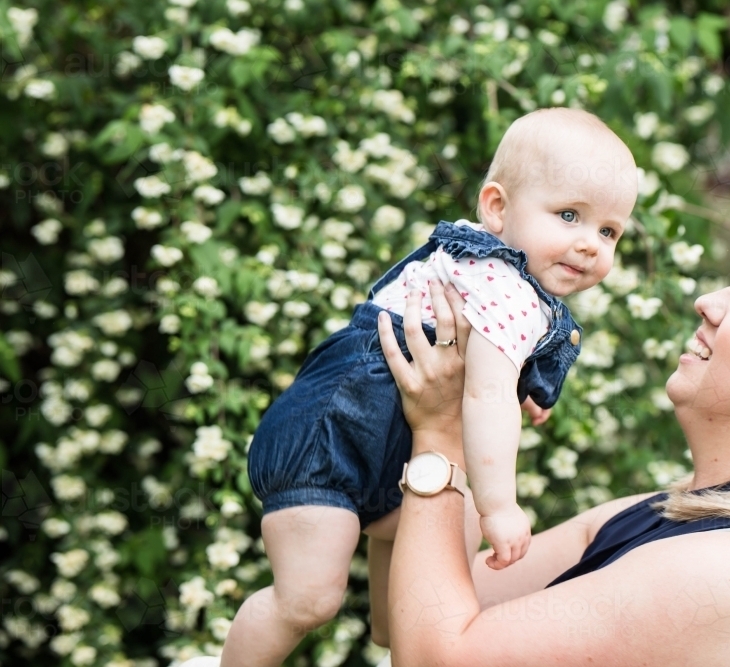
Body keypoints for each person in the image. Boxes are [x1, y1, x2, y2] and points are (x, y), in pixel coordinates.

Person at [376, 228, 730, 666]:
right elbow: (400, 616)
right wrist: (452, 413)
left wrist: (440, 434)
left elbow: (436, 658)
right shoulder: (663, 515)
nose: (709, 300)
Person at [193, 108, 638, 667]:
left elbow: (487, 371)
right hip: (327, 447)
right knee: (307, 600)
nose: (591, 244)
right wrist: (504, 506)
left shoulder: (485, 264)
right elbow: (484, 396)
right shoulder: (505, 288)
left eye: (608, 231)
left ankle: (397, 624)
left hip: (390, 456)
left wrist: (523, 389)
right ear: (496, 207)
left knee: (458, 514)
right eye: (569, 214)